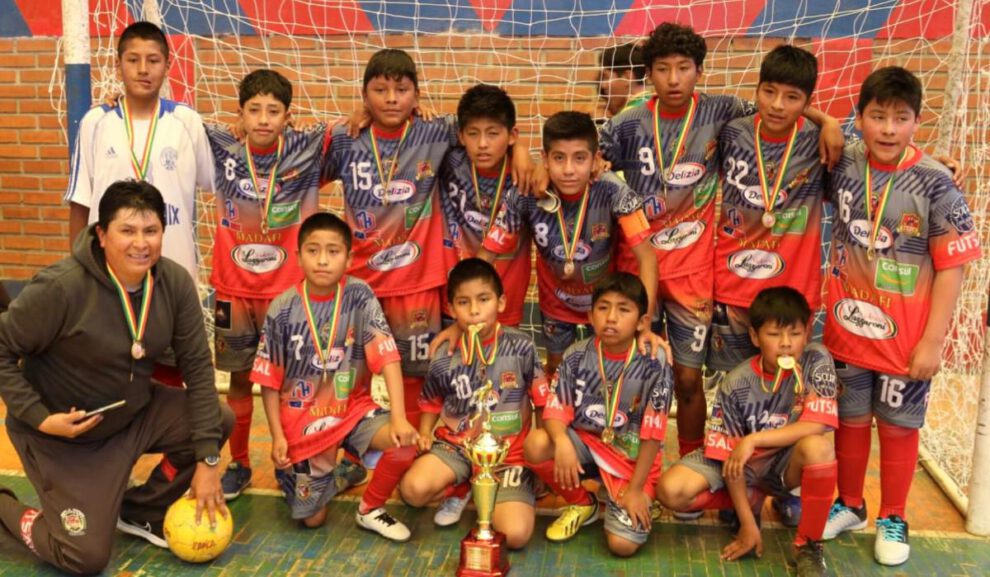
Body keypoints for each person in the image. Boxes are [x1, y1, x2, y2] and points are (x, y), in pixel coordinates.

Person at [598, 22, 844, 461]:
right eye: (662, 69)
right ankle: (624, 462)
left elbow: (782, 105)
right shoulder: (628, 122)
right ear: (648, 73)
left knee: (689, 380)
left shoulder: (722, 112)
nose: (674, 79)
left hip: (694, 274)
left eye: (684, 68)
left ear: (699, 71)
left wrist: (827, 120)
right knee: (631, 372)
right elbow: (580, 156)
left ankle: (694, 461)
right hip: (636, 266)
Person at [0, 180, 231, 575]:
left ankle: (140, 510)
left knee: (216, 420)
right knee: (83, 557)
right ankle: (5, 508)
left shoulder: (173, 283)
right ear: (102, 235)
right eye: (127, 230)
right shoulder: (60, 287)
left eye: (151, 231)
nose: (141, 243)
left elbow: (196, 366)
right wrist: (40, 417)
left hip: (133, 417)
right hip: (64, 437)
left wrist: (209, 460)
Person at [821, 66, 982, 566]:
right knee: (847, 420)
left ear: (916, 122)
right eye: (877, 117)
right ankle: (850, 504)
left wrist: (934, 342)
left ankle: (894, 514)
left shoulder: (936, 183)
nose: (887, 129)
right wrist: (824, 119)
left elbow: (953, 268)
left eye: (900, 118)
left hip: (905, 337)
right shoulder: (843, 160)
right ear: (861, 119)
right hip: (846, 327)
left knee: (897, 426)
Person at [320, 49, 531, 430]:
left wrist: (524, 150)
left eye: (401, 89)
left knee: (418, 372)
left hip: (417, 281)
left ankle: (417, 445)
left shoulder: (435, 130)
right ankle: (351, 457)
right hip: (358, 281)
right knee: (352, 372)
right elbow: (302, 176)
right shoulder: (344, 138)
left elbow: (488, 127)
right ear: (364, 95)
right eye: (380, 90)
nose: (390, 98)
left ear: (417, 96)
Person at [205, 69, 364, 499]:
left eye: (273, 111)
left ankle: (296, 459)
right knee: (239, 380)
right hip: (234, 290)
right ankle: (238, 465)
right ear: (239, 114)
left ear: (287, 116)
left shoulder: (307, 147)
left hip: (291, 296)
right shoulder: (220, 147)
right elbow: (166, 125)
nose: (262, 119)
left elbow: (356, 123)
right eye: (253, 110)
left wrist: (371, 106)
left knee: (299, 382)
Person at [708, 44, 826, 526]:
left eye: (792, 97)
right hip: (731, 294)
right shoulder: (732, 128)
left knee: (793, 400)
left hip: (791, 302)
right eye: (768, 92)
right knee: (735, 400)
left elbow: (882, 154)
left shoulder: (822, 141)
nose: (777, 105)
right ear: (755, 89)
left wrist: (829, 121)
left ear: (808, 101)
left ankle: (792, 488)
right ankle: (736, 489)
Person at [251, 212, 418, 541]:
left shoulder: (359, 295)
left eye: (333, 251)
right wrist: (278, 437)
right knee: (312, 519)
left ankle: (369, 509)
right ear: (298, 256)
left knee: (403, 444)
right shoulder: (282, 309)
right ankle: (317, 474)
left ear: (349, 257)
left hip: (351, 409)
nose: (323, 260)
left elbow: (388, 357)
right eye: (313, 251)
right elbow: (268, 381)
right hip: (303, 423)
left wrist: (399, 417)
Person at [657, 287, 839, 577]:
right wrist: (748, 523)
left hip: (783, 466)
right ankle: (748, 502)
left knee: (820, 449)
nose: (785, 344)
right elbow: (730, 459)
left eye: (794, 334)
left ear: (807, 333)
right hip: (739, 466)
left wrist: (753, 440)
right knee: (670, 491)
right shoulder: (737, 383)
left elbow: (816, 424)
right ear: (755, 337)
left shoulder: (815, 360)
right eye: (774, 334)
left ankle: (809, 547)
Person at [483, 111, 659, 378]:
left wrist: (643, 320)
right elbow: (486, 257)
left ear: (595, 158)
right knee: (557, 370)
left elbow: (646, 257)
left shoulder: (614, 191)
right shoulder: (525, 194)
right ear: (545, 158)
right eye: (558, 158)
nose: (568, 169)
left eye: (579, 158)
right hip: (556, 301)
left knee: (607, 371)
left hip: (605, 304)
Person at [399, 258, 547, 546]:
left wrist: (538, 456)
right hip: (457, 446)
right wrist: (426, 433)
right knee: (413, 491)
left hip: (508, 454)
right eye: (464, 303)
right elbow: (431, 400)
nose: (475, 310)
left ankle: (488, 490)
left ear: (501, 302)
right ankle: (463, 483)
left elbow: (541, 401)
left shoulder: (522, 346)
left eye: (484, 299)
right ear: (452, 309)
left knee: (515, 535)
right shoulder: (445, 352)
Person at [523, 273, 673, 556]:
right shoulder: (576, 355)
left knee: (622, 545)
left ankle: (631, 495)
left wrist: (636, 489)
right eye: (603, 308)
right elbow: (555, 409)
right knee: (537, 443)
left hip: (631, 460)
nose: (612, 318)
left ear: (642, 322)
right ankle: (583, 503)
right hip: (587, 446)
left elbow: (654, 434)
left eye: (623, 309)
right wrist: (563, 441)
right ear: (591, 316)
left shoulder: (655, 362)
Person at [65, 21, 213, 284]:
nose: (143, 69)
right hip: (107, 273)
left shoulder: (187, 122)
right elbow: (80, 203)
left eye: (153, 60)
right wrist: (78, 271)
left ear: (167, 67)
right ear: (118, 65)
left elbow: (220, 184)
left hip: (174, 271)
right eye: (133, 60)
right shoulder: (95, 122)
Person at [440, 84, 531, 328]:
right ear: (460, 135)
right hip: (455, 293)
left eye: (492, 134)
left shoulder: (524, 175)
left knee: (502, 363)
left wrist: (522, 151)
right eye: (473, 133)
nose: (482, 143)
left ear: (511, 135)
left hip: (506, 292)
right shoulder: (448, 162)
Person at [599, 42, 649, 117]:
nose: (603, 85)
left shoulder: (630, 115)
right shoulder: (656, 104)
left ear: (627, 77)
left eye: (606, 77)